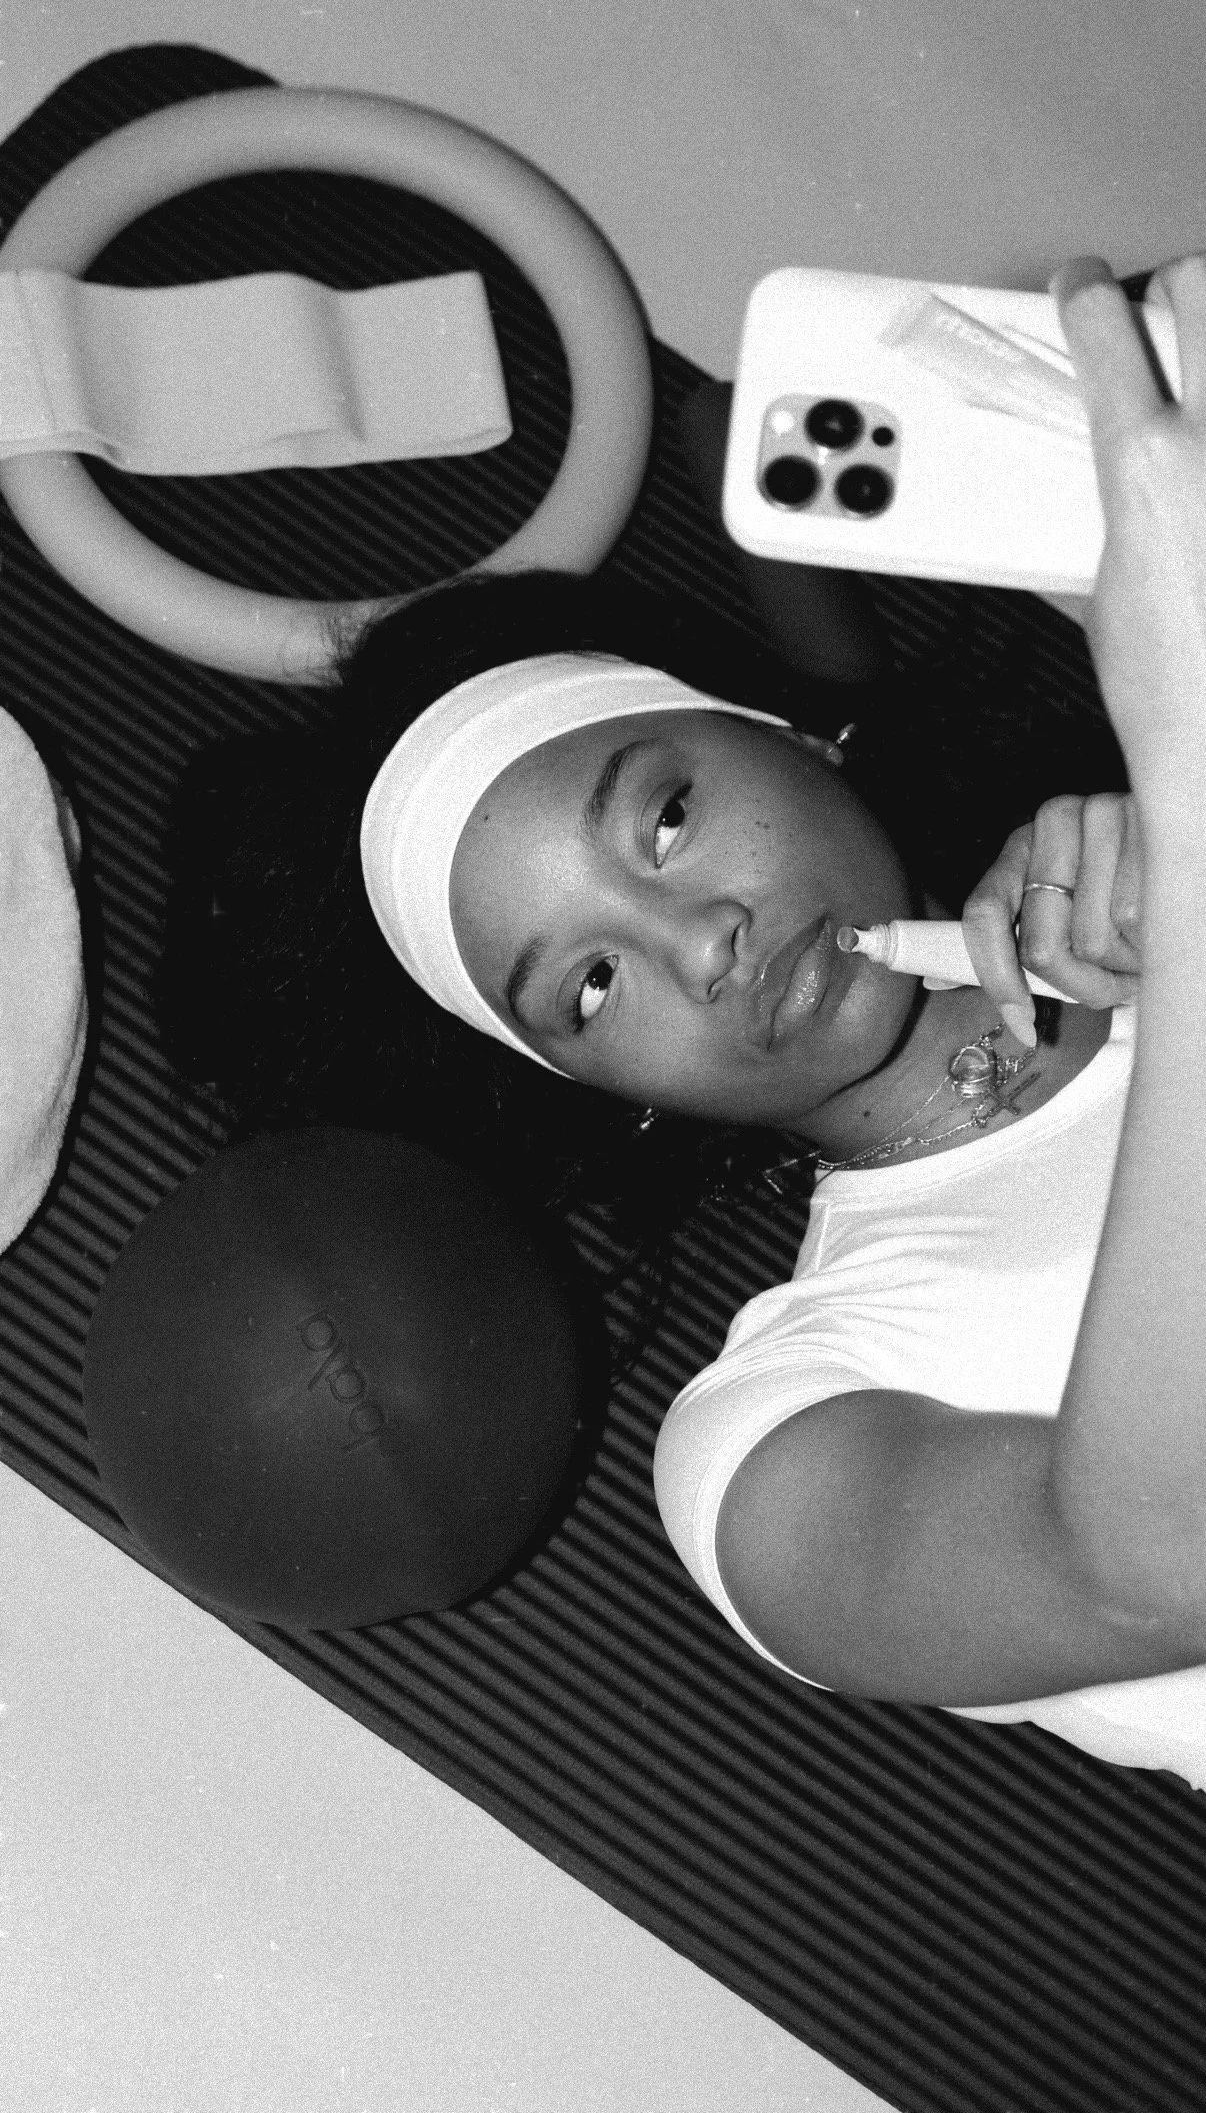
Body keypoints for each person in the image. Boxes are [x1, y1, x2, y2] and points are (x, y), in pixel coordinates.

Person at [159, 254, 1206, 1786]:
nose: (698, 943)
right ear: (595, 1086)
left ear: (785, 733)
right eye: (586, 988)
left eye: (660, 816)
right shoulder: (770, 1435)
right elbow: (1141, 1563)